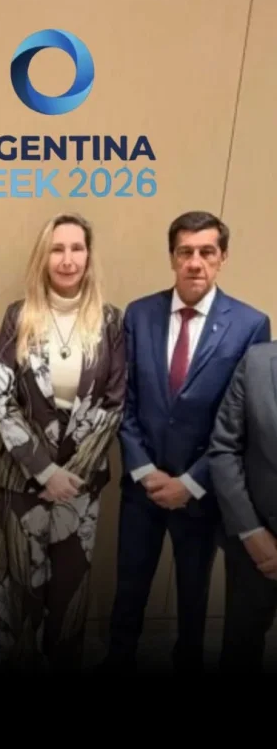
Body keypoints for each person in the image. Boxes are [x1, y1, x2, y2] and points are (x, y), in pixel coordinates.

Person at [104, 210, 271, 673]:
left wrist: (191, 483)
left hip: (202, 490)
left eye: (206, 252)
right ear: (172, 257)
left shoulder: (251, 324)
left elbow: (243, 419)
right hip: (142, 487)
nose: (195, 262)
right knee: (129, 585)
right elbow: (123, 400)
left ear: (222, 257)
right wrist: (144, 470)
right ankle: (119, 658)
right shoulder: (139, 314)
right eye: (185, 252)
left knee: (193, 594)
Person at [0, 212, 126, 672]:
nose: (67, 259)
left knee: (68, 593)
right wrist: (43, 470)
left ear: (89, 256)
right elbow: (2, 398)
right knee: (15, 590)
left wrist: (69, 476)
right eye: (57, 249)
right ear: (44, 257)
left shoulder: (110, 321)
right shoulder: (18, 316)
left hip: (80, 486)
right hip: (22, 479)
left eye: (76, 248)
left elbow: (114, 402)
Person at [208, 342, 277, 672]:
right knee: (241, 650)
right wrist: (251, 533)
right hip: (255, 545)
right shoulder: (257, 361)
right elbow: (224, 449)